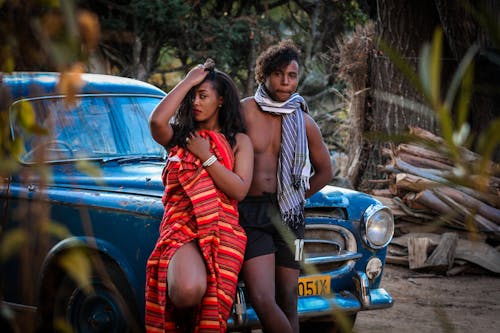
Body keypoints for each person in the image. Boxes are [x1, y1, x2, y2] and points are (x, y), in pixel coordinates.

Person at [145, 59, 254, 333]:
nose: (195, 101)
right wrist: (189, 80)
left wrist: (206, 157)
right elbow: (157, 121)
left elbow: (239, 189)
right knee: (186, 290)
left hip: (222, 229)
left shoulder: (238, 141)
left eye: (203, 95)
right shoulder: (181, 136)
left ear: (220, 101)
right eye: (192, 95)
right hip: (182, 227)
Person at [239, 40, 333, 333]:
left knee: (289, 298)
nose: (285, 81)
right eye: (278, 74)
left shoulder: (303, 121)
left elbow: (326, 171)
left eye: (291, 75)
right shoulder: (244, 112)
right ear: (263, 75)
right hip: (251, 213)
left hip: (290, 216)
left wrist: (293, 197)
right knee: (262, 297)